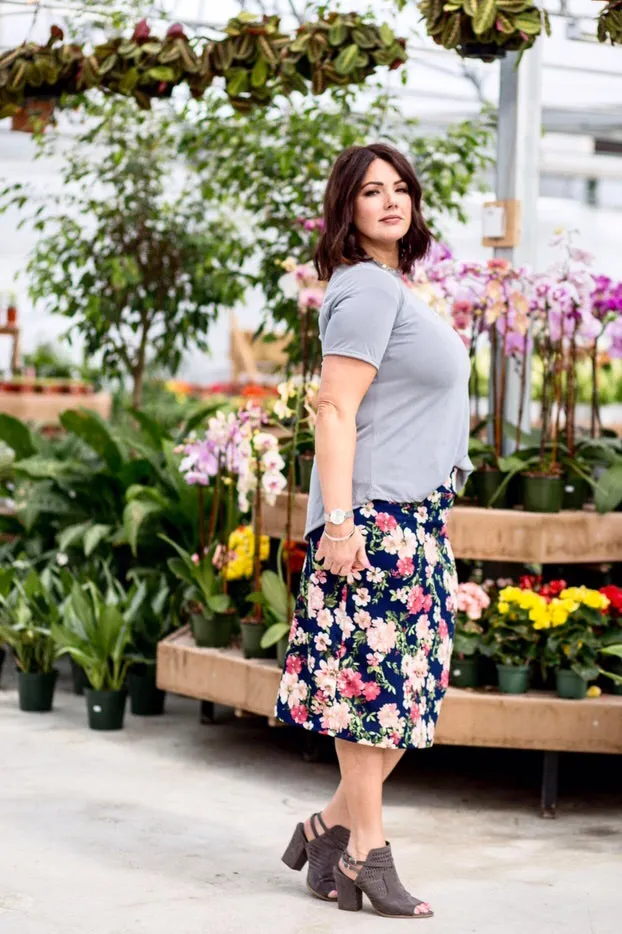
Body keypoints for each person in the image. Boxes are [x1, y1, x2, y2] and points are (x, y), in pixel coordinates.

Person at [276, 142, 473, 919]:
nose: (391, 201)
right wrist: (339, 524)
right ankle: (366, 852)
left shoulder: (391, 288)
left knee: (403, 701)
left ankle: (324, 827)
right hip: (375, 522)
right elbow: (337, 412)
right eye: (371, 192)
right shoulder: (363, 290)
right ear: (346, 209)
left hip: (414, 519)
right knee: (369, 700)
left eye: (400, 189)